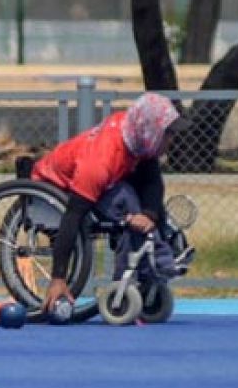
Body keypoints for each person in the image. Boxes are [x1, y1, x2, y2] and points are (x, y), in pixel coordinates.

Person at [31, 92, 190, 313]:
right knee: (126, 202)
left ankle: (153, 266)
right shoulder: (100, 162)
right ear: (152, 132)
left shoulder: (138, 135)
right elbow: (73, 215)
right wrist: (58, 277)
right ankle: (150, 266)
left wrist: (150, 215)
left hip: (105, 182)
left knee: (147, 208)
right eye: (169, 133)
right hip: (57, 186)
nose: (172, 140)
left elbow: (152, 182)